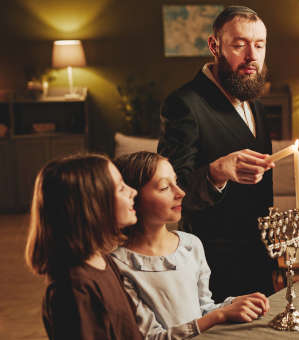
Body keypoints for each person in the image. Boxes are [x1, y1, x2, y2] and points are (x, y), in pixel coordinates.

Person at [158, 6, 275, 301]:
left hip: (258, 256)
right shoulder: (184, 104)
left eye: (259, 45)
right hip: (211, 263)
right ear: (214, 46)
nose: (252, 56)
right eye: (239, 44)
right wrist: (217, 172)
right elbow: (172, 192)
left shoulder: (256, 104)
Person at [111, 151, 270, 340]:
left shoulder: (190, 245)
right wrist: (220, 315)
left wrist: (233, 304)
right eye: (164, 187)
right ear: (133, 196)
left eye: (176, 182)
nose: (181, 193)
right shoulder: (118, 264)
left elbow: (203, 310)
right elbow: (151, 337)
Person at [24, 154, 143, 340]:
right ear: (93, 205)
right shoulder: (74, 288)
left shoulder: (103, 260)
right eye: (121, 188)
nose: (133, 191)